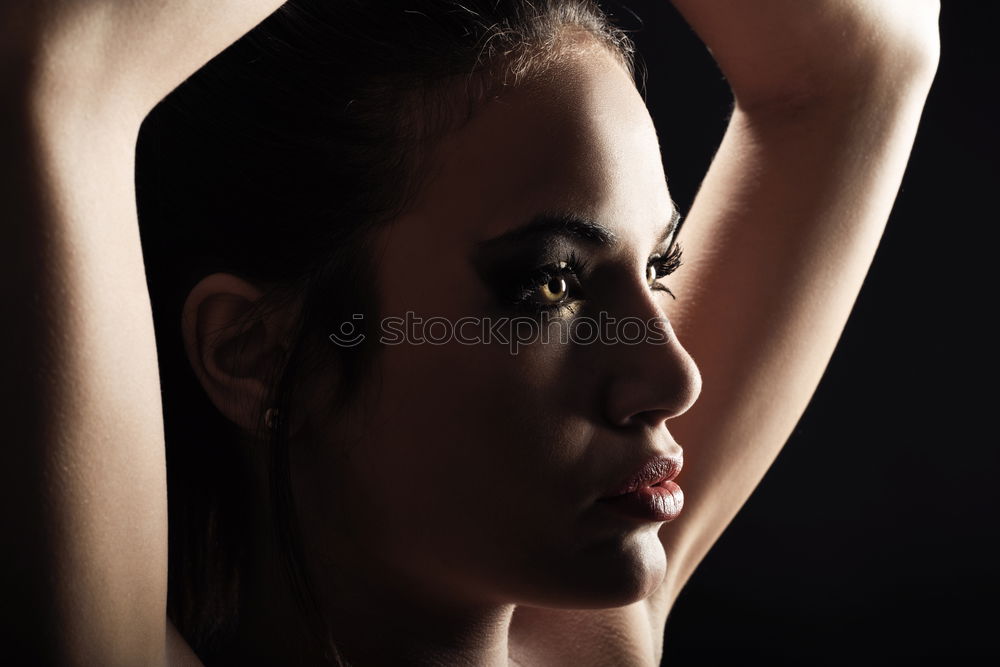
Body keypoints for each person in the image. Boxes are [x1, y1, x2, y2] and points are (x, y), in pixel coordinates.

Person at [0, 0, 940, 665]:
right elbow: (60, 67)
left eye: (660, 268)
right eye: (550, 283)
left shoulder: (590, 635)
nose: (673, 376)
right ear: (259, 350)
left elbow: (871, 50)